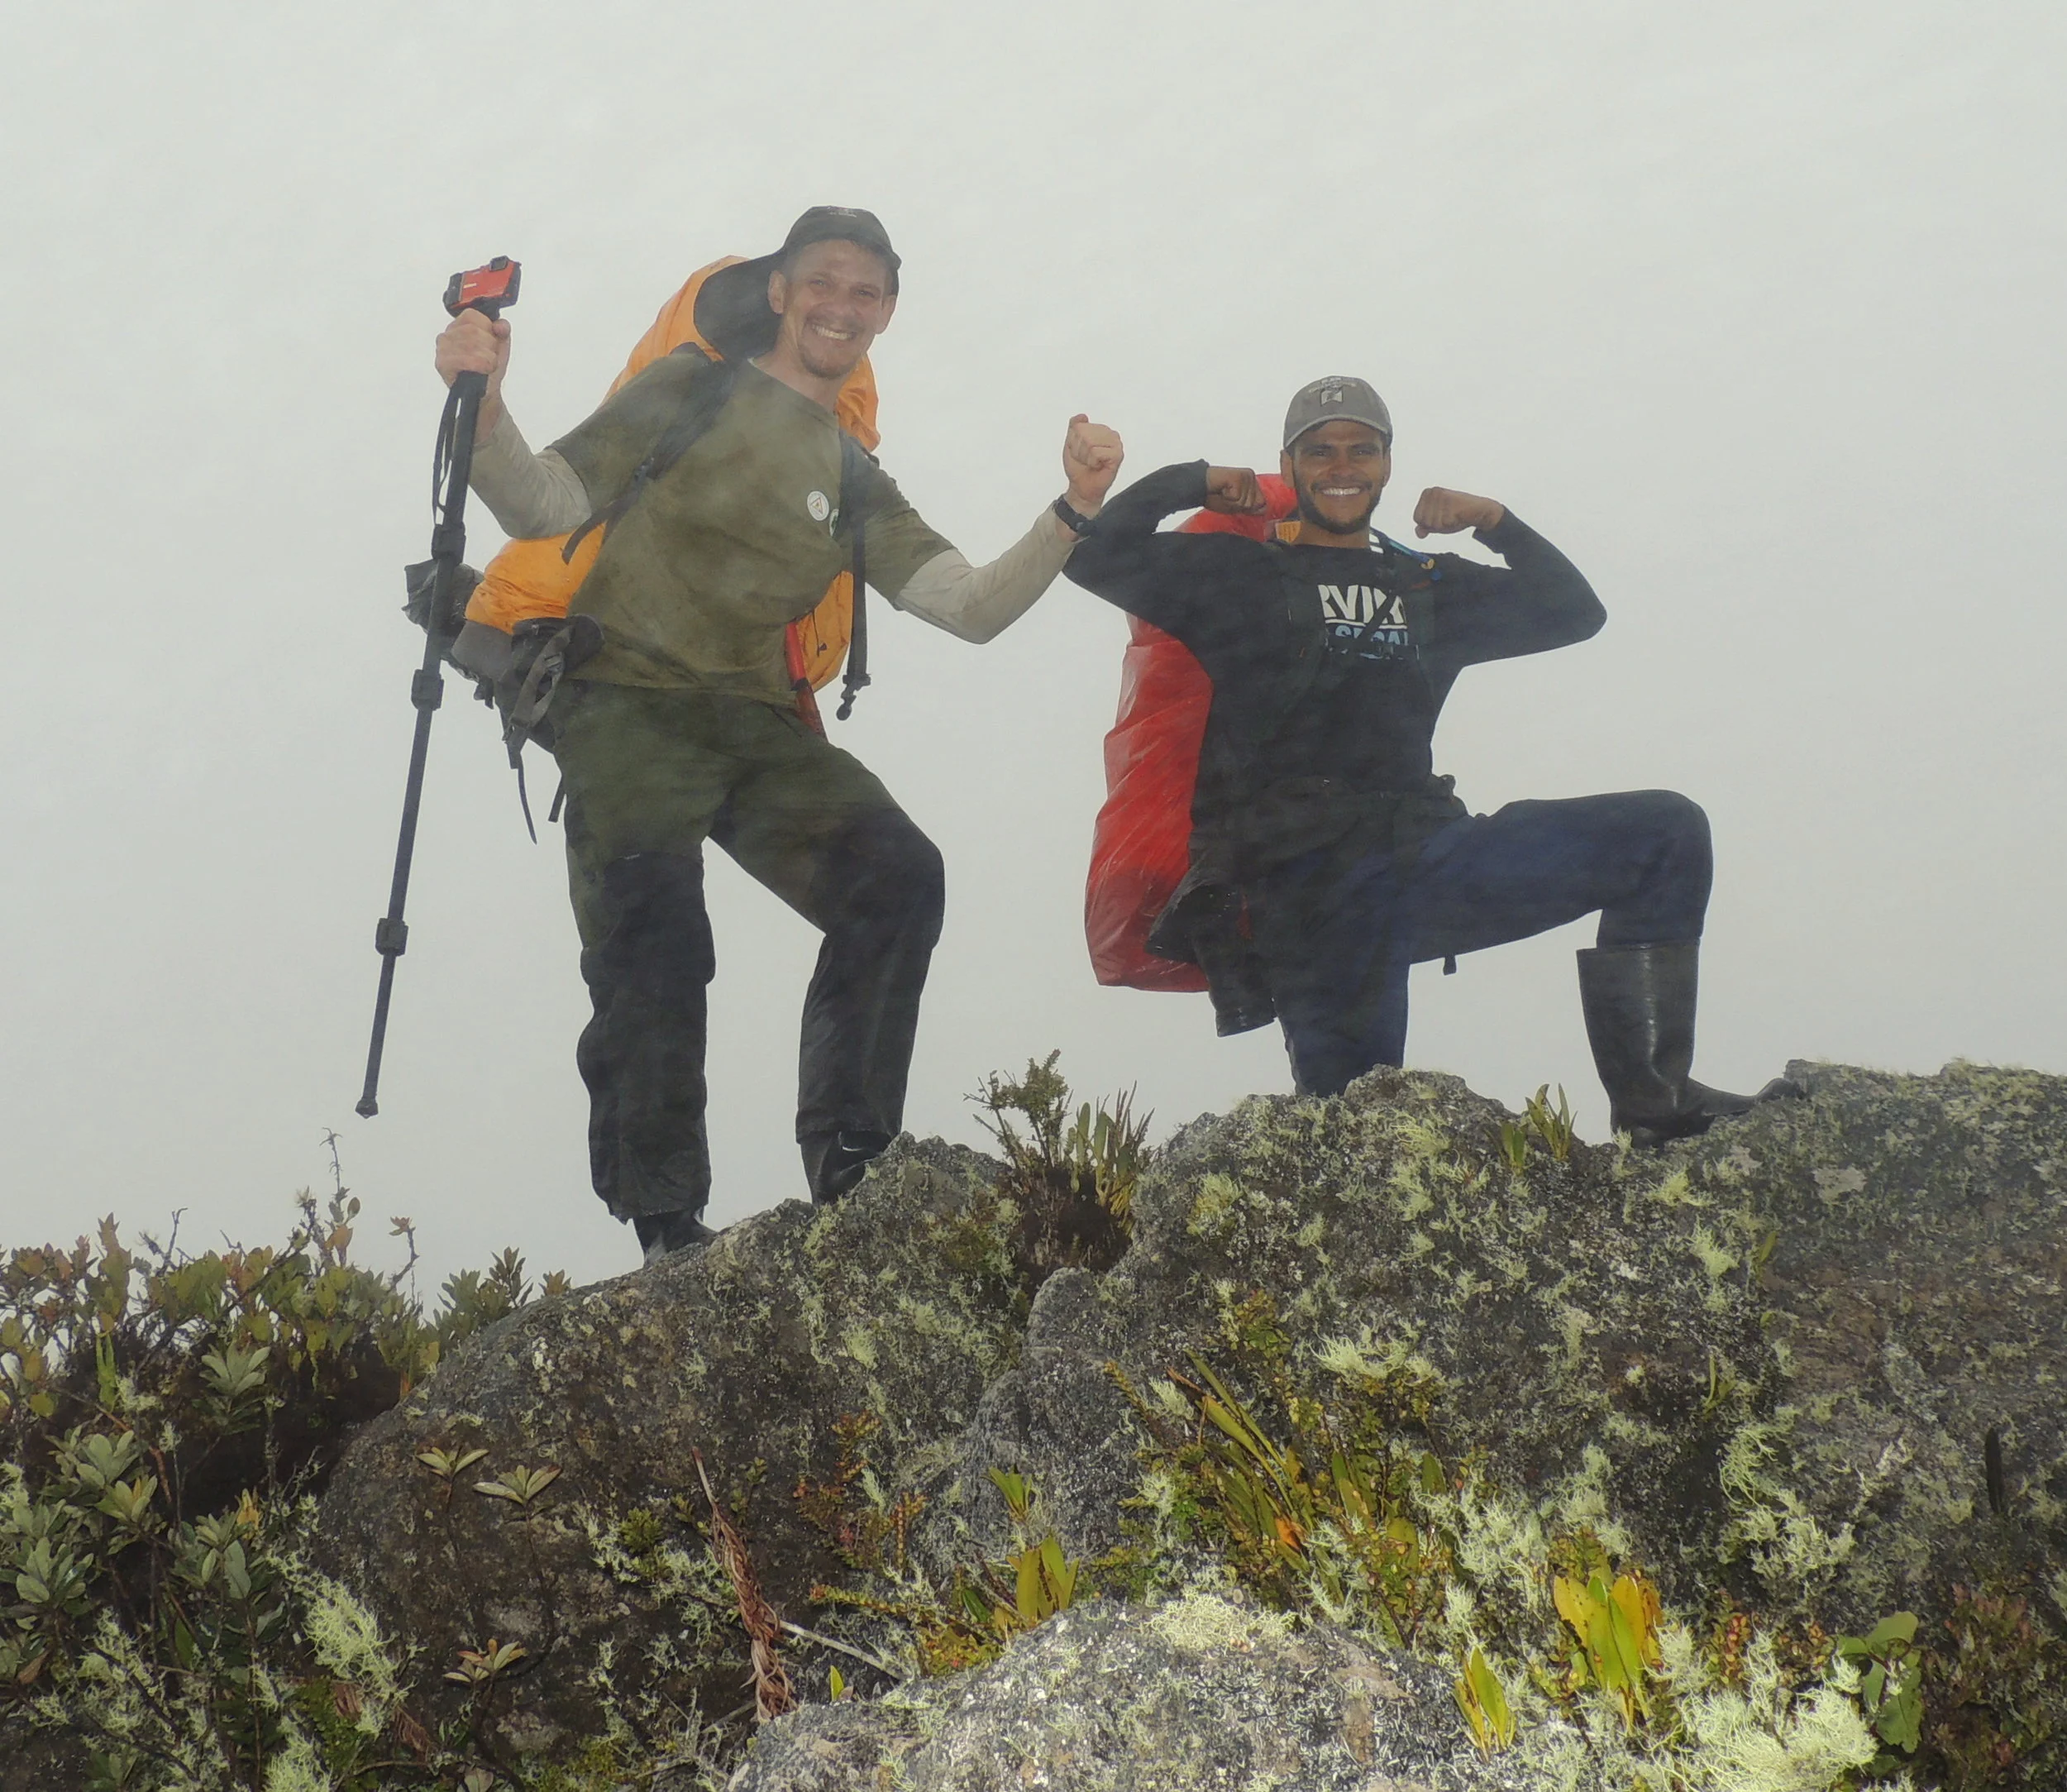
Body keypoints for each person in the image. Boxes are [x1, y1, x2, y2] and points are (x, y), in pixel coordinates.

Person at [433, 207, 1124, 1258]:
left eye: (865, 290)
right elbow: (544, 503)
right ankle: (666, 1220)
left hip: (755, 721)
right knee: (653, 939)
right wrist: (482, 408)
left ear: (888, 310)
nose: (841, 306)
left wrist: (1072, 509)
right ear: (779, 291)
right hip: (624, 698)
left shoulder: (850, 473)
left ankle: (855, 1167)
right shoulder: (688, 389)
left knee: (897, 875)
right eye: (824, 282)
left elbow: (970, 606)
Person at [1065, 374, 1789, 1141]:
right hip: (1306, 891)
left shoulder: (1426, 586)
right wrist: (1194, 480)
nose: (1342, 466)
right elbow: (1095, 560)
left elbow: (1574, 612)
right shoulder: (1235, 576)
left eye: (1361, 450)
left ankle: (1657, 1106)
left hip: (1427, 859)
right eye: (1320, 451)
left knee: (1664, 833)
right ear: (1289, 463)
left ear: (1386, 464)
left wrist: (1496, 521)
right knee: (1358, 1139)